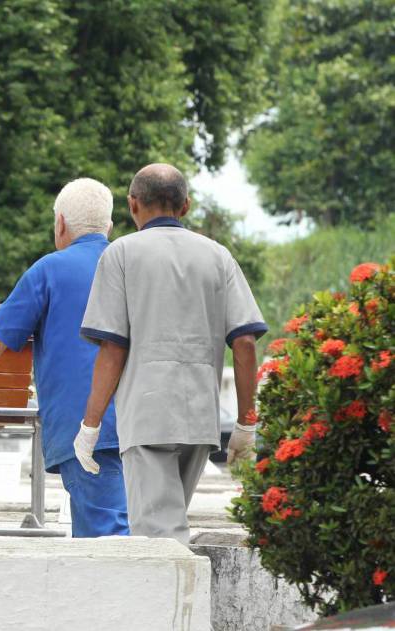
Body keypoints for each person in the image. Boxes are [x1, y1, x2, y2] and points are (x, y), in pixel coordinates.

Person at [0, 178, 130, 537]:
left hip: (85, 428)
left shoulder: (49, 270)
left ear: (60, 224)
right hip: (142, 425)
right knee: (145, 532)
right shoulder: (132, 266)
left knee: (107, 540)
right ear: (108, 227)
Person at [74, 163, 265, 544]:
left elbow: (113, 348)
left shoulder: (121, 254)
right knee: (167, 524)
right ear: (186, 206)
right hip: (200, 419)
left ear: (132, 204)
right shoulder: (218, 256)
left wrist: (90, 425)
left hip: (147, 418)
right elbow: (245, 342)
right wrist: (246, 424)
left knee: (159, 540)